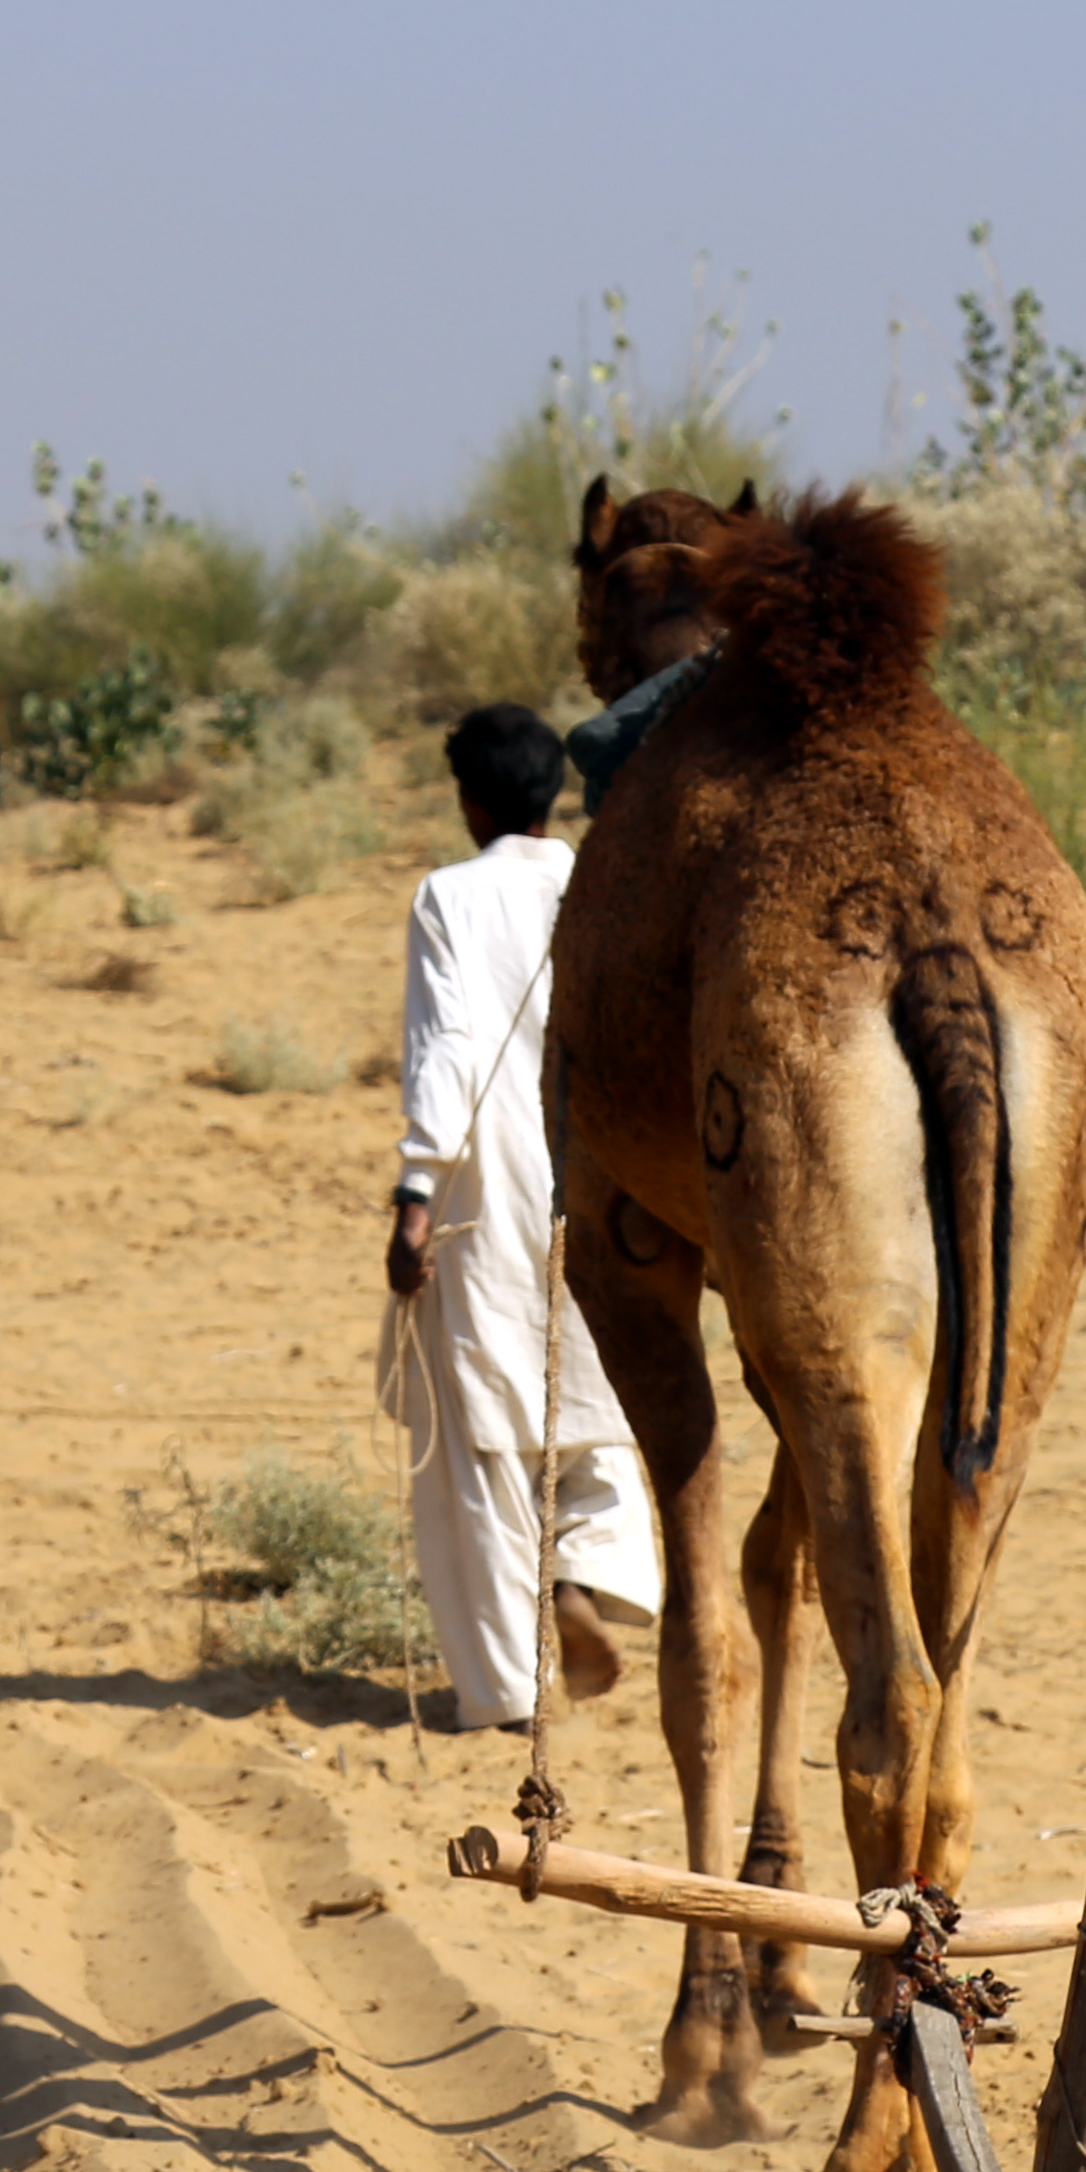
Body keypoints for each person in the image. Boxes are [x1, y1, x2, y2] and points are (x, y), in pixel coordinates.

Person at [384, 703, 665, 1732]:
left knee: (485, 1439)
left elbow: (446, 1049)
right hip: (609, 1182)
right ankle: (582, 1577)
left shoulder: (447, 897)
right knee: (596, 1412)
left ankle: (508, 1691)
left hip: (488, 1189)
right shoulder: (602, 883)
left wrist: (417, 1195)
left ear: (469, 800)